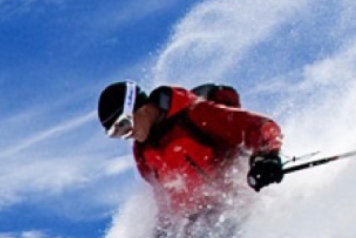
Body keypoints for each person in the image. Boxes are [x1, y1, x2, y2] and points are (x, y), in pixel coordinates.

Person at [96, 80, 284, 214]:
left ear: (141, 108)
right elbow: (164, 199)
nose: (127, 135)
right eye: (117, 134)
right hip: (199, 225)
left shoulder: (195, 115)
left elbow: (258, 127)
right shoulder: (142, 153)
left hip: (238, 205)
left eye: (124, 125)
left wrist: (267, 157)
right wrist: (163, 233)